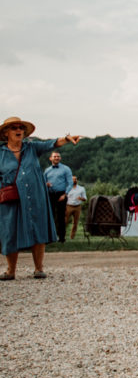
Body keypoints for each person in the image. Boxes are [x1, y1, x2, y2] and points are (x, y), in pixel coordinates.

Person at [1, 117, 81, 280]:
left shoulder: (31, 148)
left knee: (38, 228)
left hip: (35, 197)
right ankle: (10, 271)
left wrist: (66, 139)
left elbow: (51, 144)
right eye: (14, 128)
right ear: (5, 133)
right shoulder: (0, 154)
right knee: (10, 231)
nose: (19, 130)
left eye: (21, 128)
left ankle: (38, 269)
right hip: (11, 199)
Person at [44, 150, 73, 243]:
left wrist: (65, 194)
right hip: (50, 195)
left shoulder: (66, 169)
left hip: (62, 195)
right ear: (50, 158)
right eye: (55, 156)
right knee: (50, 217)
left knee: (61, 217)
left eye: (58, 156)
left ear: (60, 158)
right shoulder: (47, 170)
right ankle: (50, 238)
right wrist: (46, 184)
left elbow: (70, 183)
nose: (56, 158)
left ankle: (61, 238)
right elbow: (43, 183)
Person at [65, 175, 87, 240]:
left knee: (75, 223)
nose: (74, 180)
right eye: (73, 179)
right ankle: (62, 235)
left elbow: (85, 198)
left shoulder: (81, 188)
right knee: (65, 221)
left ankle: (72, 237)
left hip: (77, 207)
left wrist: (81, 198)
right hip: (69, 206)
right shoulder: (67, 188)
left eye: (75, 179)